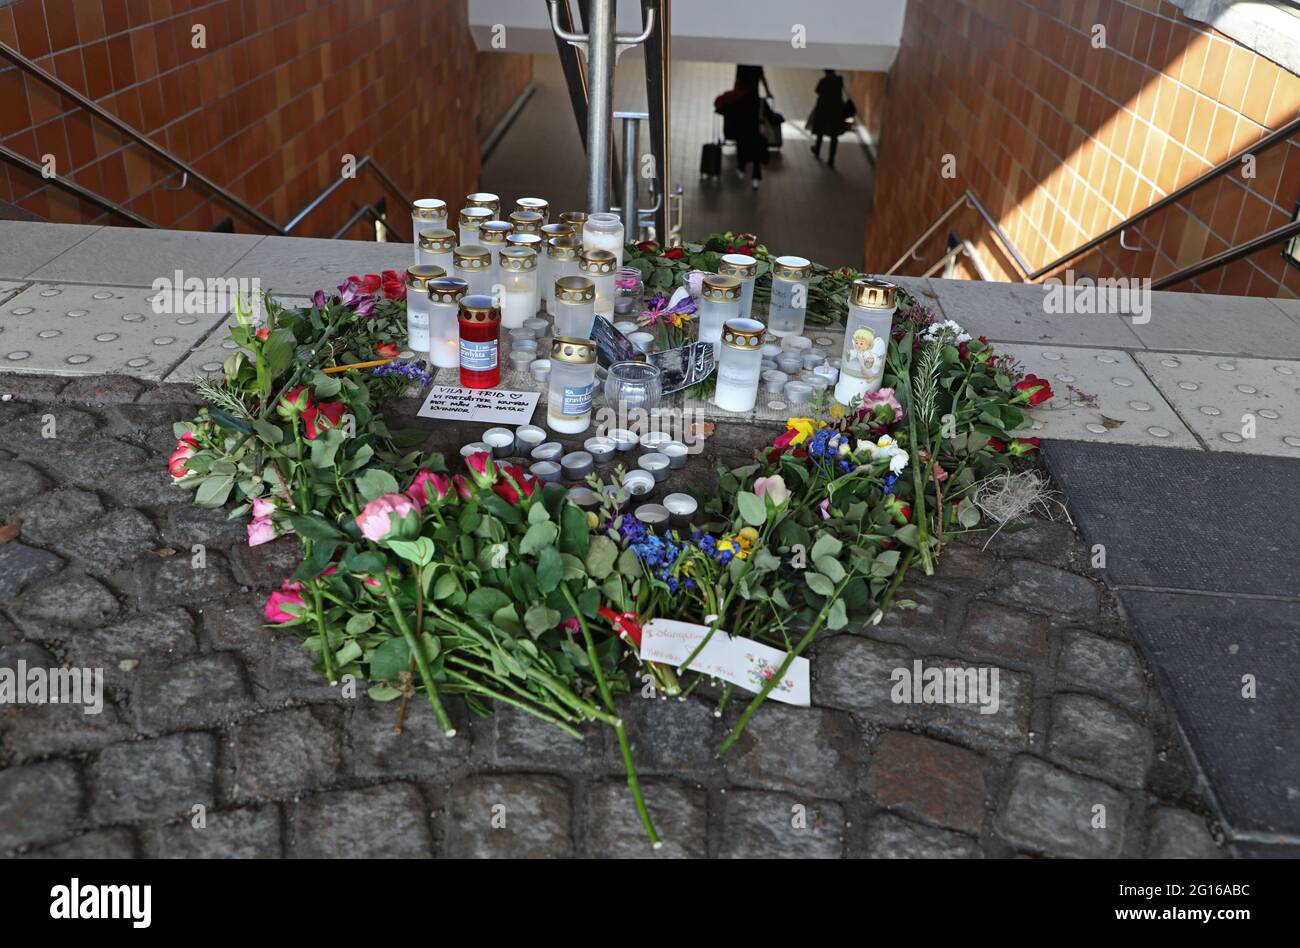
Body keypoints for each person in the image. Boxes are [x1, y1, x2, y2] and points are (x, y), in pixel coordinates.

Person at [809, 69, 847, 168]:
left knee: (820, 130)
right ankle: (831, 159)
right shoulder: (839, 80)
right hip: (836, 110)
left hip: (823, 109)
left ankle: (817, 150)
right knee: (834, 135)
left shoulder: (823, 81)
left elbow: (817, 91)